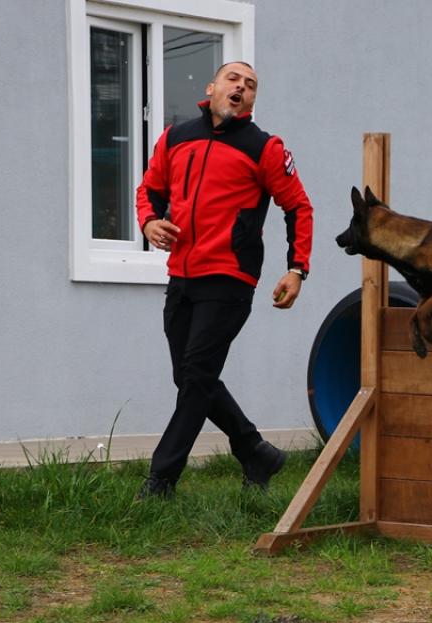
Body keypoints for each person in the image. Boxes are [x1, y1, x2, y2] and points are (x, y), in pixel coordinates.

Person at [135, 61, 313, 498]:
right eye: (234, 79)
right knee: (188, 376)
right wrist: (149, 222)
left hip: (230, 277)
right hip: (181, 275)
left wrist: (297, 268)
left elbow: (298, 207)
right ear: (212, 86)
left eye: (250, 85)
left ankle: (161, 479)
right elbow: (149, 190)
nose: (241, 87)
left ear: (252, 100)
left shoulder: (264, 148)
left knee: (197, 376)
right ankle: (255, 450)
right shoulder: (175, 138)